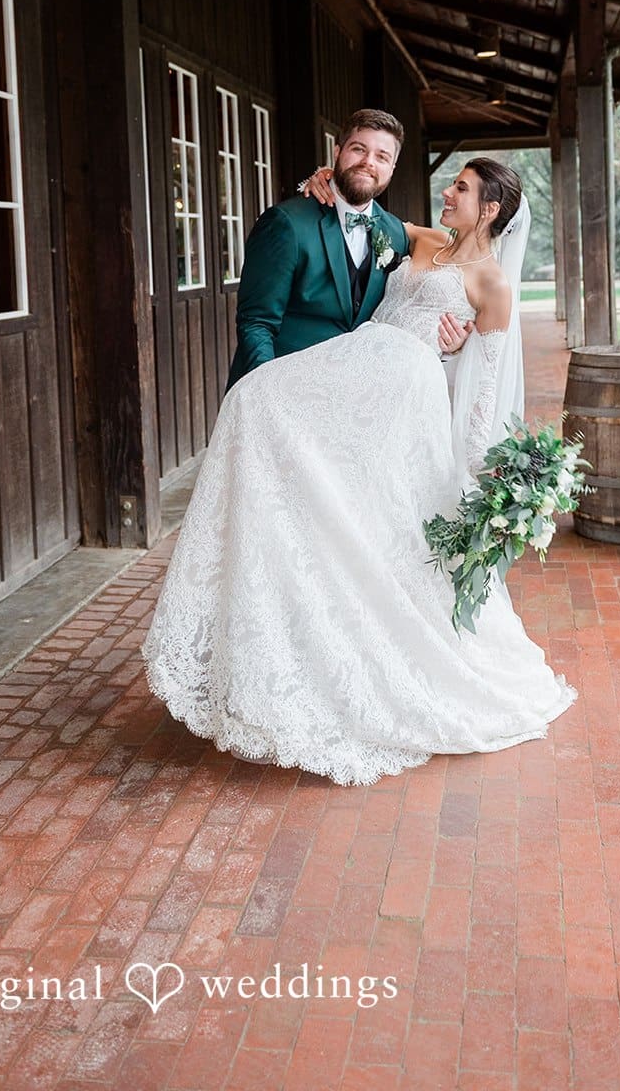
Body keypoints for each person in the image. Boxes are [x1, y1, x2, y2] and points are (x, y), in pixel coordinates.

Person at [141, 156, 577, 786]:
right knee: (257, 406)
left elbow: (483, 388)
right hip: (359, 364)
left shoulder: (492, 287)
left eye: (461, 188)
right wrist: (323, 183)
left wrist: (484, 469)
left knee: (271, 418)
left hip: (404, 390)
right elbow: (364, 214)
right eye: (450, 183)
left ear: (489, 210)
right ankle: (287, 639)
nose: (447, 194)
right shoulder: (424, 239)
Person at [226, 108, 465, 389]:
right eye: (358, 149)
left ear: (392, 168)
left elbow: (407, 313)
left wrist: (451, 345)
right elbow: (256, 322)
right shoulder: (286, 224)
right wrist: (266, 389)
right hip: (287, 388)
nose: (368, 162)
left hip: (356, 398)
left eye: (382, 156)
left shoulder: (395, 234)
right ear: (337, 152)